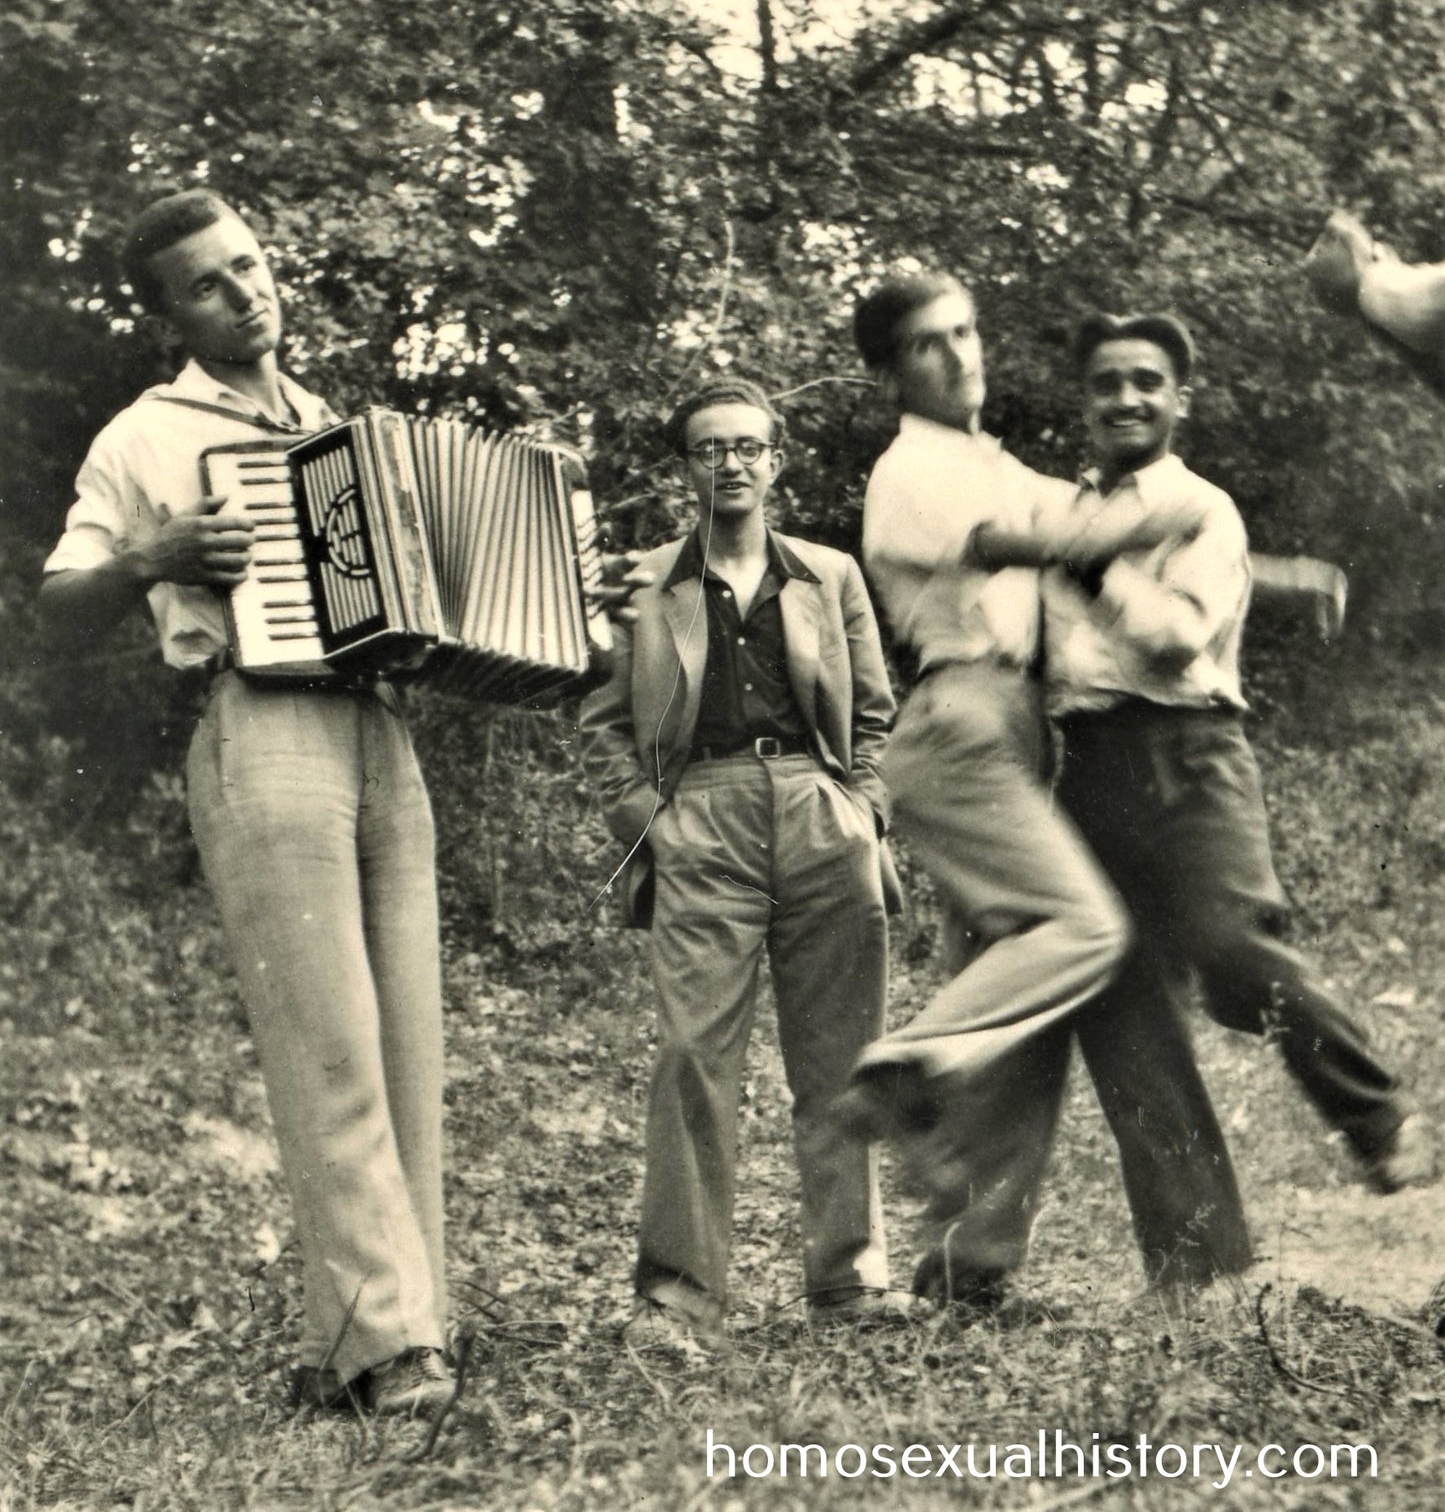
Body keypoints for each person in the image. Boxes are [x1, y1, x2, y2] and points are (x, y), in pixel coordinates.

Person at [38, 188, 648, 1418]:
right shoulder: (142, 437)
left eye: (251, 265)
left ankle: (366, 1334)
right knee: (326, 1046)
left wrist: (573, 605)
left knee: (406, 1045)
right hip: (260, 722)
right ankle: (394, 1345)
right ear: (168, 313)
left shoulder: (332, 427)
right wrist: (151, 559)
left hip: (379, 726)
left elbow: (445, 593)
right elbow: (60, 599)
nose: (244, 291)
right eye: (207, 283)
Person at [841, 273, 1255, 1304]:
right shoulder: (909, 470)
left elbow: (1086, 531)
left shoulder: (992, 459)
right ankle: (910, 1058)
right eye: (928, 344)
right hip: (961, 720)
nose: (958, 354)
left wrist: (1270, 570)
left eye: (966, 331)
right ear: (892, 371)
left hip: (1026, 730)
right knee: (1082, 932)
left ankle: (965, 1270)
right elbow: (1014, 544)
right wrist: (1135, 535)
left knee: (1021, 1007)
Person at [1021, 312, 1437, 1198]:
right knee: (1128, 1010)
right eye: (1105, 383)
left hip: (1187, 753)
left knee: (1234, 950)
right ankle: (1195, 1259)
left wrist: (1085, 564)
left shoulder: (1204, 508)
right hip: (1087, 765)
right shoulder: (1062, 511)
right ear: (1083, 402)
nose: (1124, 397)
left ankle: (1377, 1112)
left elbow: (1173, 641)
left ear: (1179, 400)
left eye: (1145, 381)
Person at [577, 376, 915, 1348]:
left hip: (818, 813)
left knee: (842, 1056)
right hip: (701, 818)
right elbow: (600, 721)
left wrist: (862, 810)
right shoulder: (640, 579)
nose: (728, 462)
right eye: (707, 447)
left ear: (775, 460)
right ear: (687, 466)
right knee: (691, 1057)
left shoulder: (827, 573)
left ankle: (849, 1282)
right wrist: (651, 817)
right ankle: (676, 1299)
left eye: (745, 445)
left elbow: (877, 714)